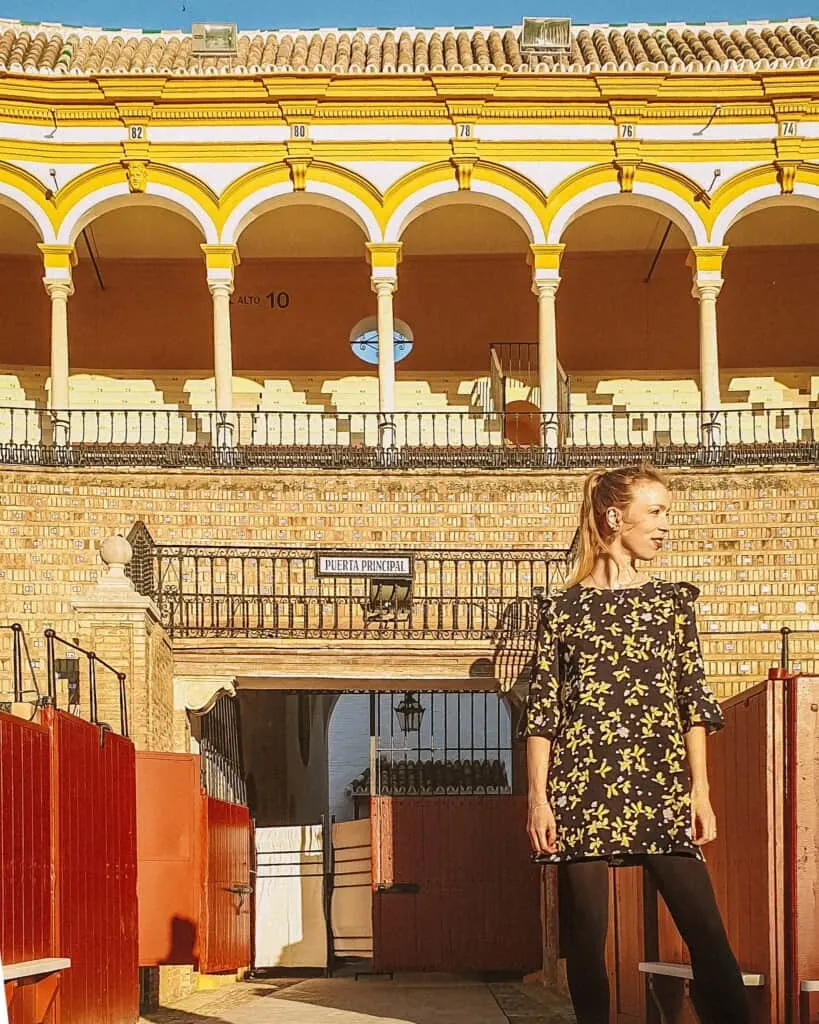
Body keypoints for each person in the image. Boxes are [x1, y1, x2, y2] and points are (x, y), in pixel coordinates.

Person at [525, 464, 749, 1024]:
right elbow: (544, 713)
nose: (666, 525)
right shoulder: (561, 612)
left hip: (661, 783)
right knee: (587, 944)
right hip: (582, 789)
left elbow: (693, 701)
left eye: (665, 512)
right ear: (613, 517)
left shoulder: (671, 604)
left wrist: (700, 791)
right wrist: (537, 798)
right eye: (656, 512)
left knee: (708, 936)